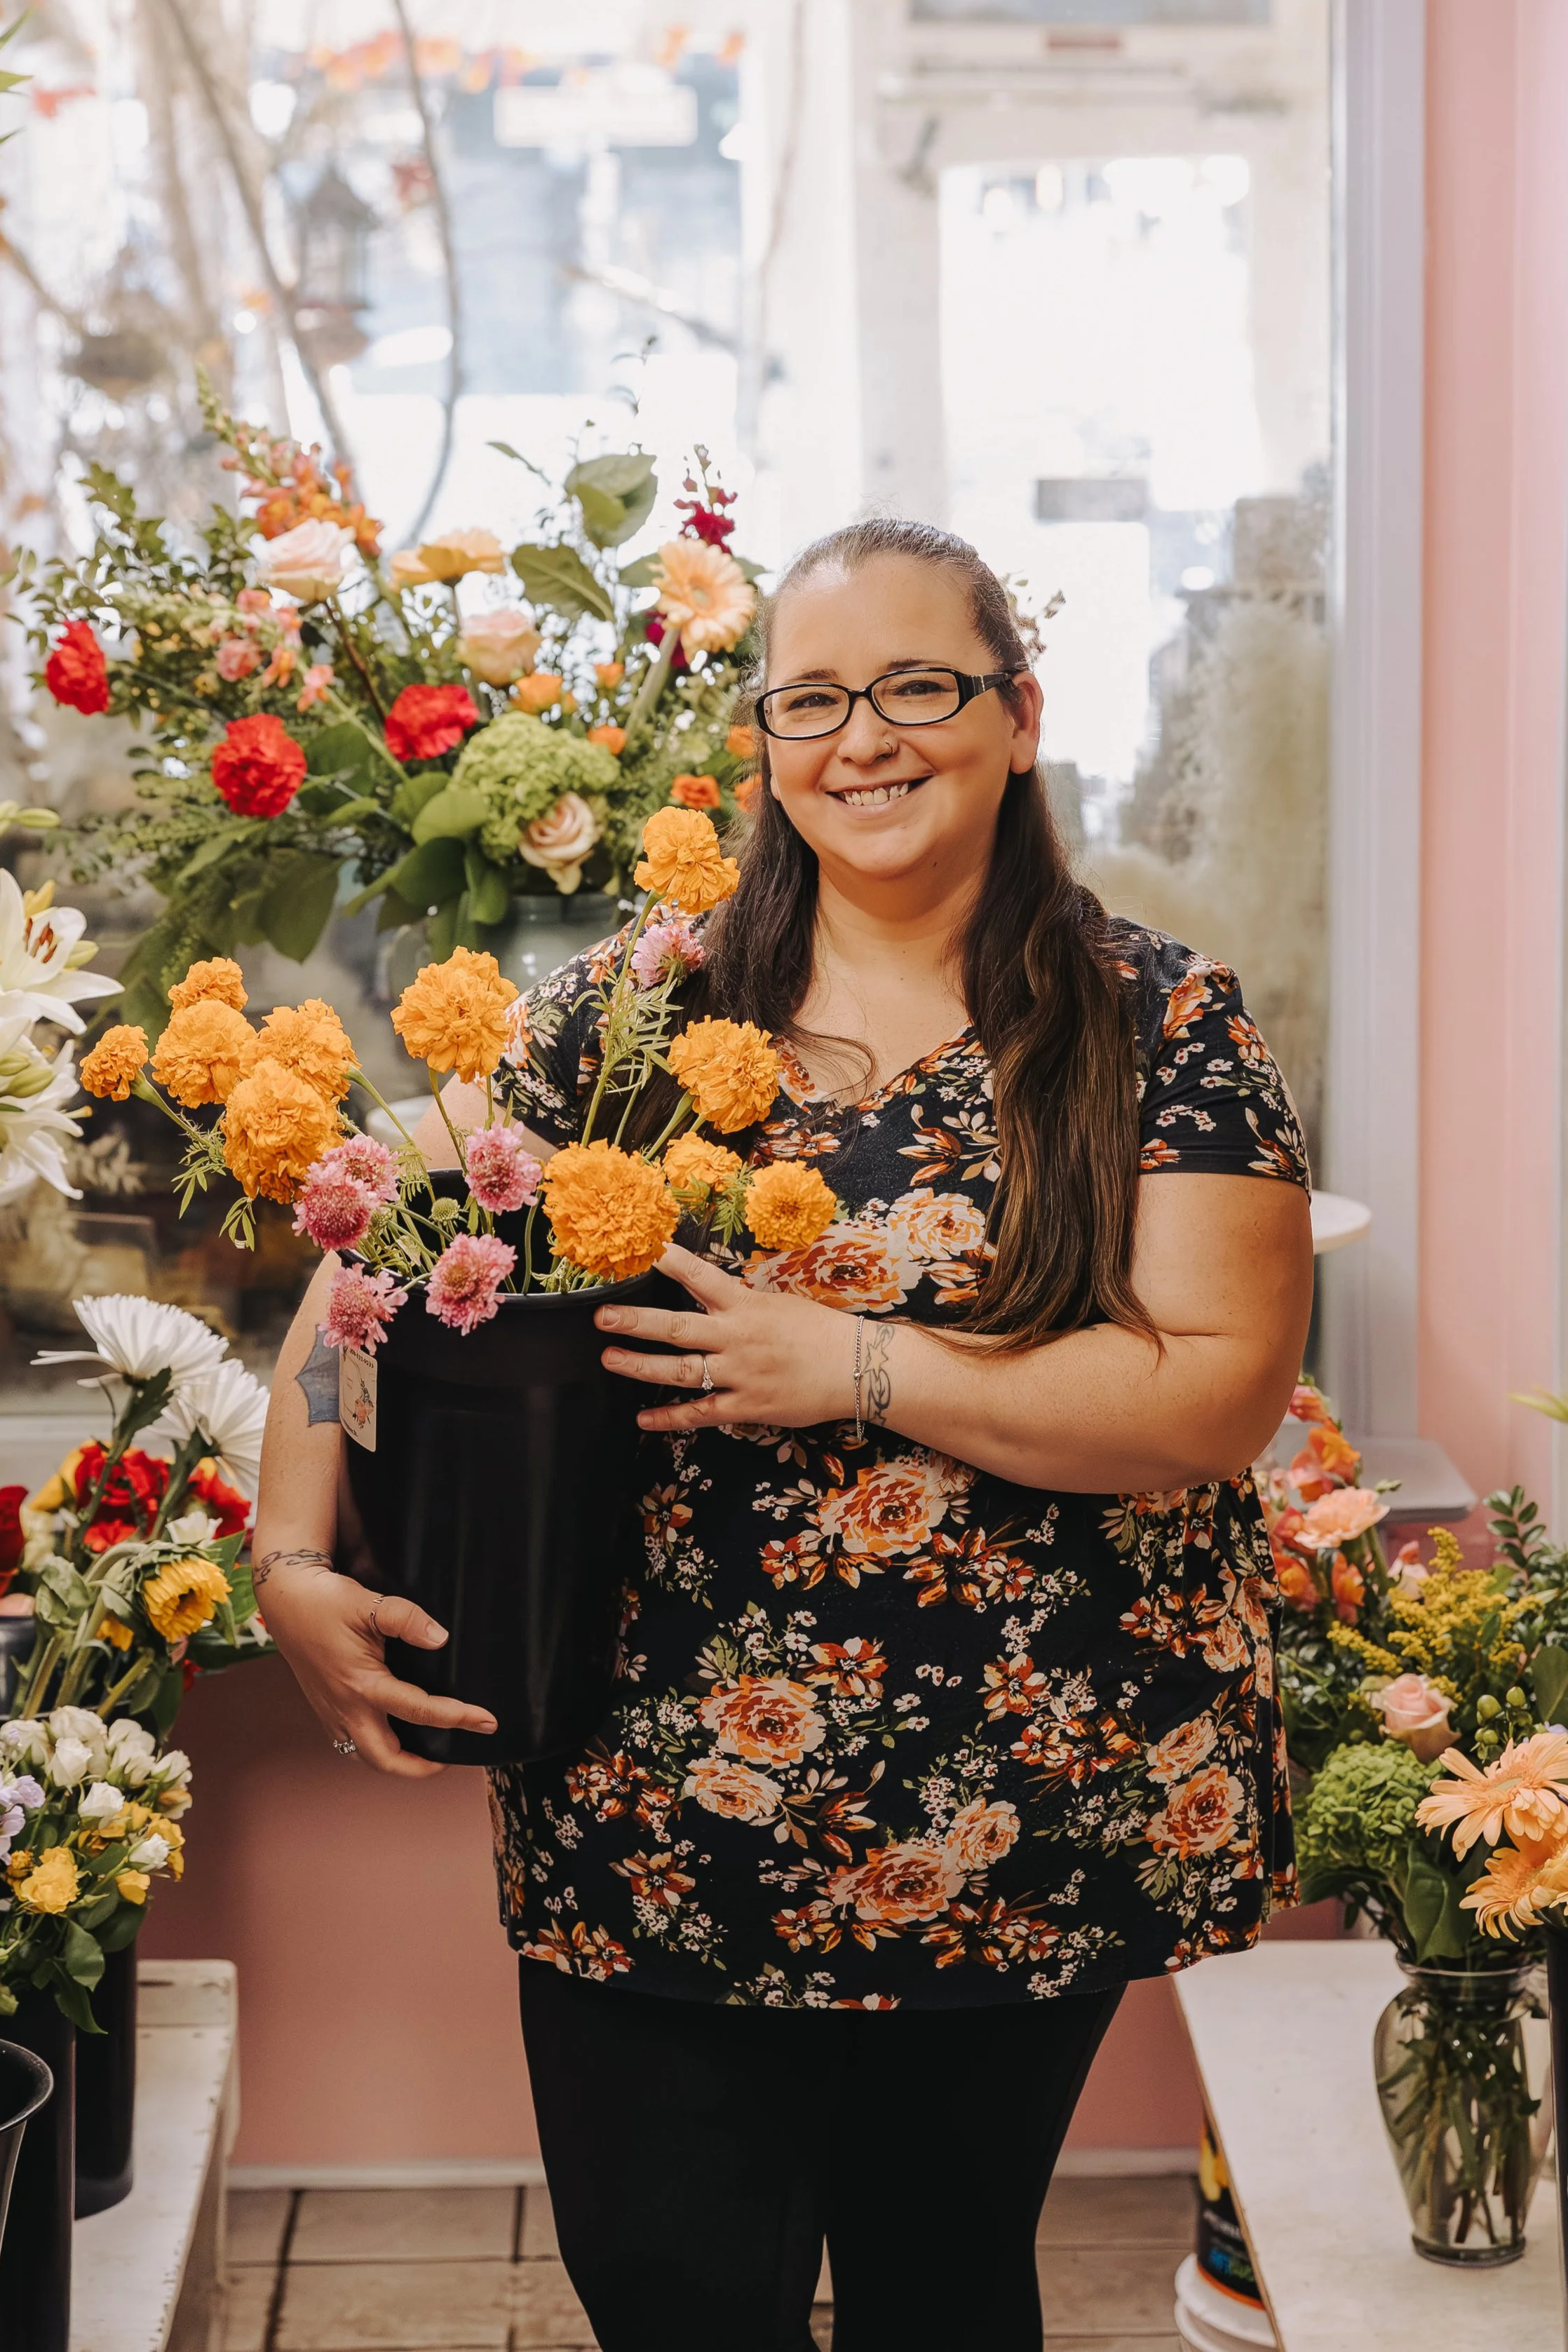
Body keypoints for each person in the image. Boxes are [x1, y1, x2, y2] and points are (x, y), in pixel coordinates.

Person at [252, 518, 1313, 2352]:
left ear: (1017, 715)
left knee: (942, 2297)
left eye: (919, 684)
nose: (865, 737)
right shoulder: (630, 1012)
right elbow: (368, 1250)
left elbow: (1214, 1389)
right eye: (812, 696)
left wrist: (859, 1369)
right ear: (760, 737)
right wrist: (285, 1553)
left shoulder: (1160, 1022)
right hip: (650, 1813)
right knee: (668, 2301)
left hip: (1009, 1819)